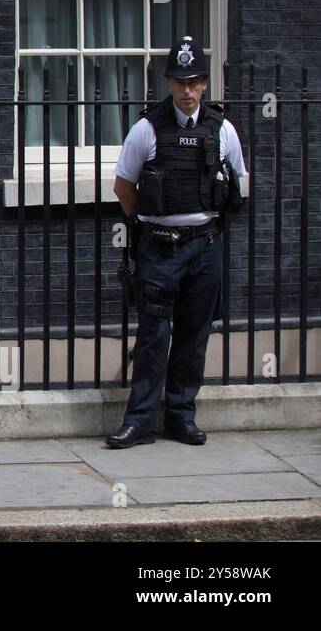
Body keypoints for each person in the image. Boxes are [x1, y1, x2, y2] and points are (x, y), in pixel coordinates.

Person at [107, 36, 247, 449]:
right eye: (180, 82)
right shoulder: (147, 128)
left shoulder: (222, 130)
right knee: (153, 334)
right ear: (169, 83)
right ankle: (140, 421)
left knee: (194, 334)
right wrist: (146, 227)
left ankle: (182, 417)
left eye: (196, 81)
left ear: (205, 84)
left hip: (205, 245)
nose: (188, 90)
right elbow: (123, 187)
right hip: (161, 247)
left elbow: (239, 184)